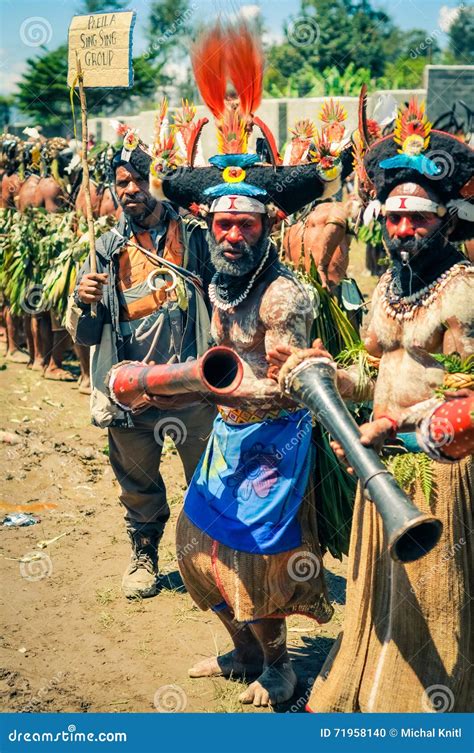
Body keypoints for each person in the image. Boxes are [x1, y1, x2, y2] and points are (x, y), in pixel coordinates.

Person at [149, 21, 343, 707]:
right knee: (195, 546)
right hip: (229, 437)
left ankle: (280, 669)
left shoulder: (283, 295)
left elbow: (295, 387)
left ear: (269, 228)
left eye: (246, 226)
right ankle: (239, 648)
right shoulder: (216, 280)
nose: (232, 236)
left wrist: (222, 383)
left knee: (258, 563)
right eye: (222, 226)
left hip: (275, 442)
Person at [269, 98, 474, 712]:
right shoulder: (386, 285)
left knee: (436, 597)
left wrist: (395, 425)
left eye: (419, 219)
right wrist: (328, 374)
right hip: (378, 466)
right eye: (394, 219)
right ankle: (369, 687)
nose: (403, 231)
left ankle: (423, 708)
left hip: (438, 472)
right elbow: (372, 369)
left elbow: (467, 391)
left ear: (446, 220)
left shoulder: (463, 290)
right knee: (383, 593)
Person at [66, 122, 216, 599]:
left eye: (139, 178)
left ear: (159, 177)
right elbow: (87, 333)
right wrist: (83, 300)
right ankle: (144, 554)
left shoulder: (194, 236)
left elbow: (224, 297)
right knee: (138, 482)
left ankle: (210, 563)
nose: (130, 190)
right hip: (133, 391)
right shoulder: (105, 248)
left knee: (210, 477)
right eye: (122, 182)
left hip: (193, 388)